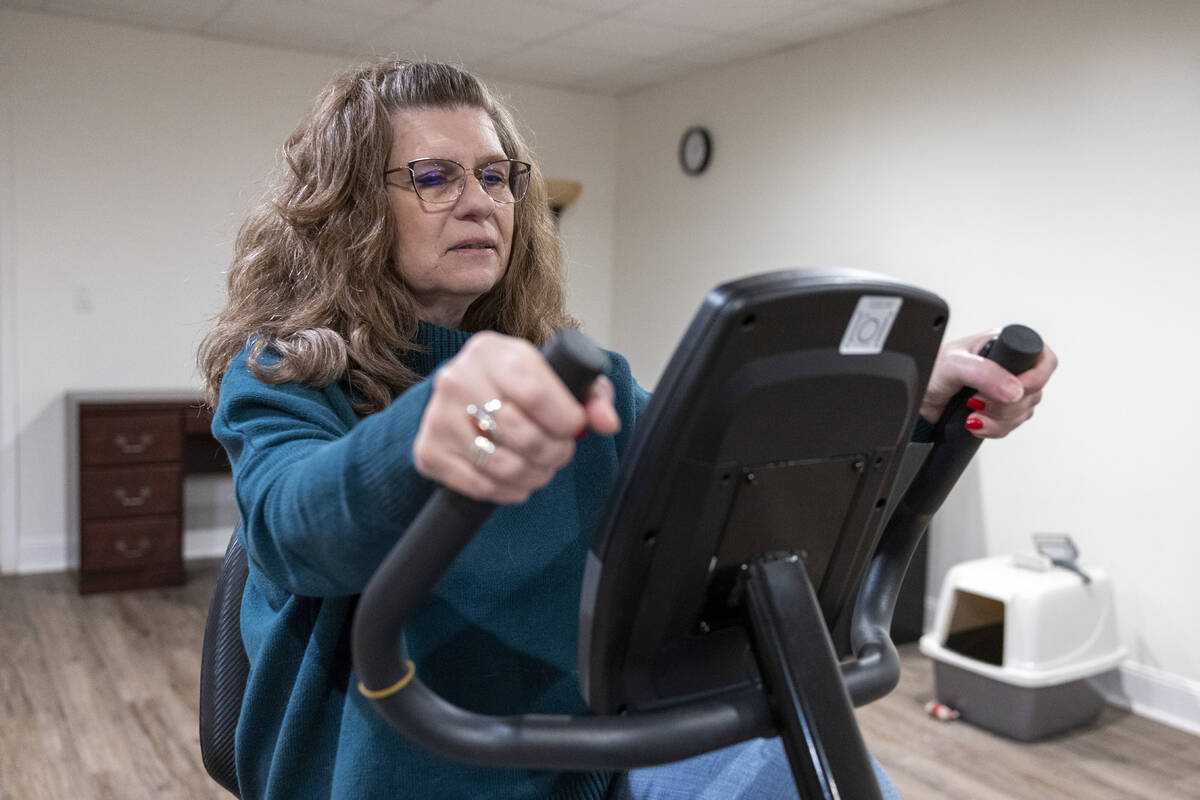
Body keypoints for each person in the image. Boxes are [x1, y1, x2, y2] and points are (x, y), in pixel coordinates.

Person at [198, 59, 1057, 800]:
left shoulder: (577, 380)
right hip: (389, 771)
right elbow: (291, 527)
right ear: (349, 208)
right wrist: (421, 433)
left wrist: (912, 405)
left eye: (497, 177)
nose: (478, 202)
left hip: (590, 760)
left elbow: (713, 488)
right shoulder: (287, 372)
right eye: (435, 178)